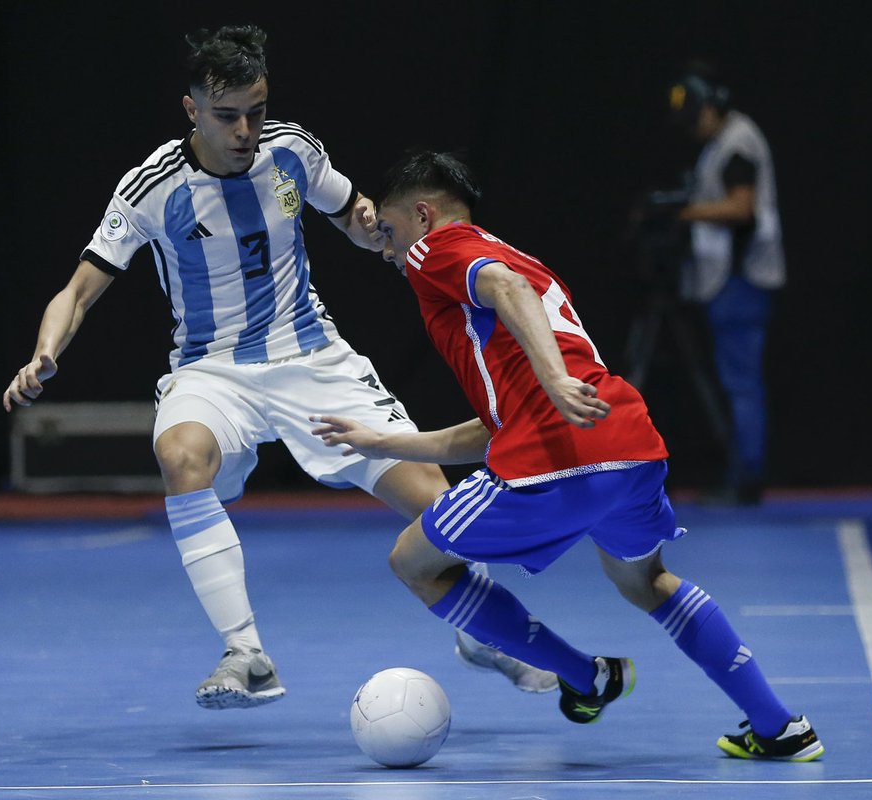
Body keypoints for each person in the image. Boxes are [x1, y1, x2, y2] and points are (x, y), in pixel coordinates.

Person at [2, 26, 555, 710]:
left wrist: (374, 229)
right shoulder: (152, 187)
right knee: (181, 455)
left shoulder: (292, 150)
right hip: (212, 371)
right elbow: (79, 288)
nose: (244, 130)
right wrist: (44, 352)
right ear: (192, 110)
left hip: (312, 357)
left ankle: (481, 633)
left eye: (255, 112)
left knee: (435, 502)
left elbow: (347, 214)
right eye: (227, 115)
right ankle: (246, 653)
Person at [312, 151, 823, 760]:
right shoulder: (522, 261)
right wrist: (381, 441)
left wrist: (552, 380)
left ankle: (585, 676)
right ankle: (779, 727)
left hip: (553, 456)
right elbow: (492, 426)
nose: (389, 252)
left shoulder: (438, 250)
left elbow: (507, 292)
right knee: (647, 582)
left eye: (390, 232)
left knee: (414, 563)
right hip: (627, 442)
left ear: (423, 214)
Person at [670, 62, 784, 505]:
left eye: (696, 117)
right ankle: (743, 472)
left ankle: (747, 477)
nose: (693, 129)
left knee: (741, 382)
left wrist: (684, 212)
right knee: (737, 381)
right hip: (728, 279)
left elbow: (741, 208)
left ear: (712, 107)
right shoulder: (722, 143)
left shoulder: (737, 142)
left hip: (742, 279)